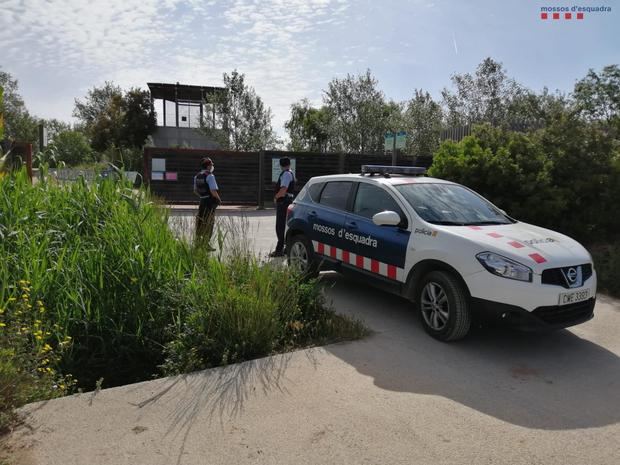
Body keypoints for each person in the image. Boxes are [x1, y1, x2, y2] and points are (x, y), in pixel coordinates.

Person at [270, 157, 296, 257]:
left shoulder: (286, 174)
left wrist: (276, 197)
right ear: (289, 164)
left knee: (280, 226)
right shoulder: (290, 173)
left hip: (284, 201)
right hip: (287, 201)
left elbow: (283, 190)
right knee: (284, 226)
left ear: (281, 165)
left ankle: (279, 250)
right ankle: (286, 248)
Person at [193, 157, 221, 246]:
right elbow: (213, 191)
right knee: (209, 222)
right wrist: (218, 200)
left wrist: (202, 196)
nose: (212, 166)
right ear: (208, 166)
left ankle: (198, 242)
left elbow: (195, 190)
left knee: (200, 222)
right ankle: (206, 244)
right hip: (209, 202)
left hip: (202, 201)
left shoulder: (197, 176)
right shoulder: (210, 176)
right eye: (212, 165)